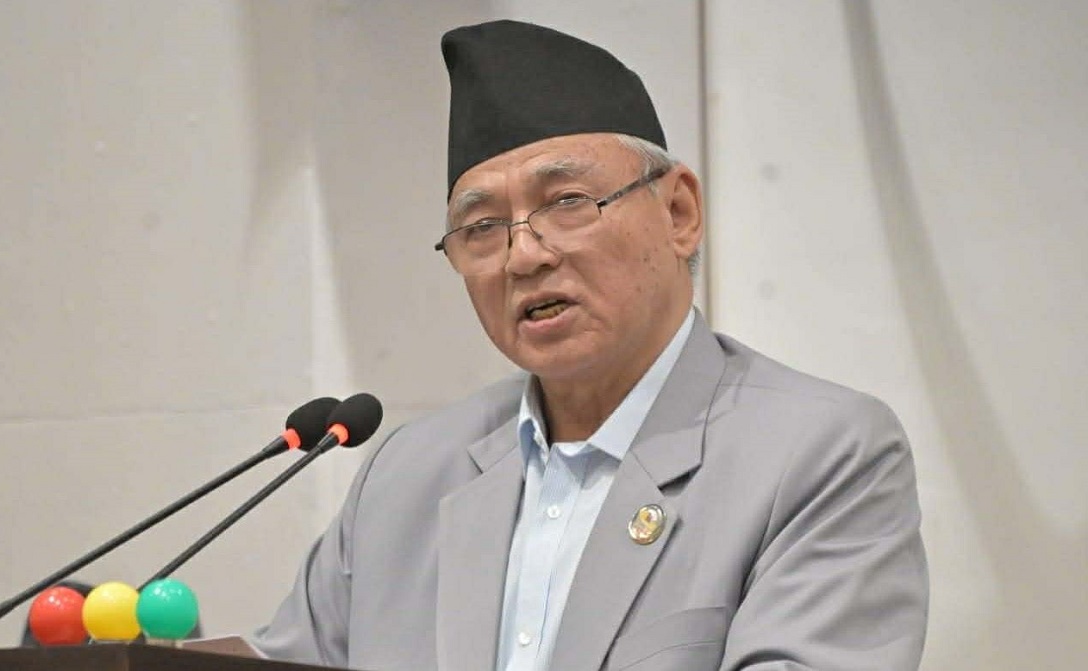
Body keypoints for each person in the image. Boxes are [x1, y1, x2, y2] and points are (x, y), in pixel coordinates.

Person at [251, 19, 927, 671]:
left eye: (567, 202)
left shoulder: (818, 453)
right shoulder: (406, 475)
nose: (523, 255)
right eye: (481, 227)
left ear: (679, 213)